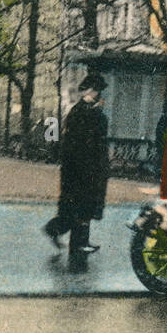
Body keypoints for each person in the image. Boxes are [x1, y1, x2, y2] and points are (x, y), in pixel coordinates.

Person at [45, 73, 110, 264]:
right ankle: (73, 241)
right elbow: (80, 144)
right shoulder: (83, 112)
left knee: (84, 207)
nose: (99, 94)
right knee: (80, 207)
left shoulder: (88, 110)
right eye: (97, 90)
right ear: (89, 91)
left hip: (87, 168)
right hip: (82, 169)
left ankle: (78, 240)